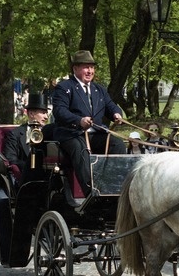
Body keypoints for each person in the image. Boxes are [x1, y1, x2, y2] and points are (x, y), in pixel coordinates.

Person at [51, 50, 126, 196]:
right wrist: (79, 121)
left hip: (96, 134)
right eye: (86, 67)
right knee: (81, 150)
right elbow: (59, 111)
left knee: (118, 144)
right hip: (71, 134)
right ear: (75, 68)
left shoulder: (99, 89)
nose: (90, 71)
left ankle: (113, 187)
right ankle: (91, 193)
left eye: (92, 67)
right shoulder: (65, 87)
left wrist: (117, 114)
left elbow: (111, 106)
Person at [2, 96, 51, 186]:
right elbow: (11, 158)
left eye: (46, 113)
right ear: (31, 114)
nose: (46, 117)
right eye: (43, 113)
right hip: (26, 177)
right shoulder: (15, 134)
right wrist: (28, 165)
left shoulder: (49, 133)